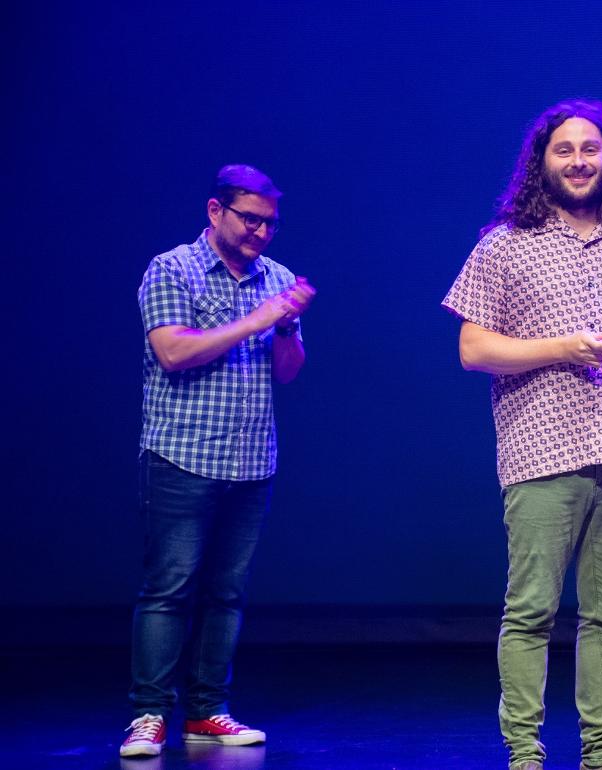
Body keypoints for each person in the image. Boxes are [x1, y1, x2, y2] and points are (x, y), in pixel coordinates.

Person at [442, 99, 602, 770]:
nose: (580, 160)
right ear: (543, 162)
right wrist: (559, 347)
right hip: (541, 450)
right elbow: (473, 349)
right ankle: (524, 754)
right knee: (531, 612)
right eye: (565, 150)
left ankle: (601, 752)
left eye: (591, 149)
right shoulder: (504, 244)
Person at [121, 165, 316, 758]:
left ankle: (207, 711)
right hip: (182, 454)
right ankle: (149, 713)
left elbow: (289, 371)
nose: (260, 232)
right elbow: (173, 351)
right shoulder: (172, 268)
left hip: (251, 459)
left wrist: (285, 330)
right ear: (216, 211)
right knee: (169, 589)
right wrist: (257, 319)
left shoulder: (277, 278)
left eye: (269, 224)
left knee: (227, 593)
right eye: (249, 219)